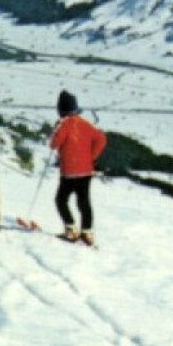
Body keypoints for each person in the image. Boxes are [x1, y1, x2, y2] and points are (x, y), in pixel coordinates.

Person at [50, 90, 106, 246]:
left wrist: (56, 130)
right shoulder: (84, 123)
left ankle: (71, 229)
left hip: (69, 171)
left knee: (61, 200)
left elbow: (54, 144)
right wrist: (91, 156)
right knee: (84, 202)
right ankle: (87, 233)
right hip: (86, 170)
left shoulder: (64, 125)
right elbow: (101, 139)